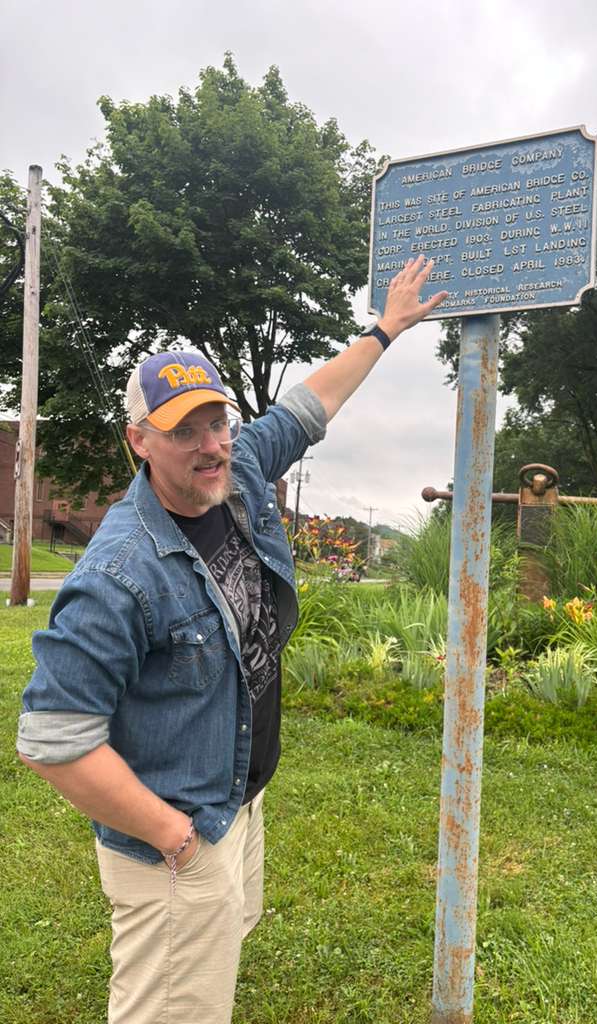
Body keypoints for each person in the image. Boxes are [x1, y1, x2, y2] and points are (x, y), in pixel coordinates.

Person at [16, 256, 447, 1024]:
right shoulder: (118, 573)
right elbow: (53, 737)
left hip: (235, 798)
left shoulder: (239, 472)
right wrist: (175, 838)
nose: (211, 444)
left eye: (217, 421)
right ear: (140, 441)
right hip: (179, 835)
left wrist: (385, 328)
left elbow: (308, 406)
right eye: (186, 431)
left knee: (222, 949)